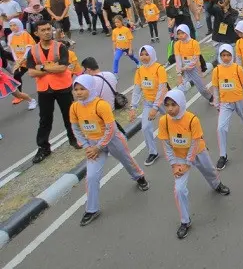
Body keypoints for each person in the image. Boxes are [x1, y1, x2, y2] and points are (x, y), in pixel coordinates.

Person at [70, 75, 149, 227]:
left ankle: (139, 177)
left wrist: (99, 146)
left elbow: (111, 128)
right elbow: (75, 128)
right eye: (76, 89)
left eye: (82, 89)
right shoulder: (74, 107)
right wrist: (87, 146)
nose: (78, 92)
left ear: (91, 88)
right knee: (91, 176)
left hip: (112, 140)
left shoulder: (101, 105)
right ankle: (92, 209)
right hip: (93, 145)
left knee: (127, 161)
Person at [158, 89, 230, 239]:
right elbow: (166, 144)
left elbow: (194, 143)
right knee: (179, 190)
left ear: (182, 104)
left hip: (197, 152)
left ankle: (217, 185)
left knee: (210, 171)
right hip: (178, 158)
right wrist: (174, 164)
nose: (170, 109)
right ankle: (185, 221)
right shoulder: (163, 121)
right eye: (167, 105)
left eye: (173, 105)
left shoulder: (192, 120)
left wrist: (188, 163)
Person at [27, 20, 80, 162]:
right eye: (43, 30)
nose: (47, 32)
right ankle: (44, 148)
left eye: (48, 29)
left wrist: (42, 68)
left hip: (62, 86)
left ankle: (74, 139)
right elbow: (31, 72)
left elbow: (63, 68)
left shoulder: (60, 47)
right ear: (36, 33)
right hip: (44, 89)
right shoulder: (33, 50)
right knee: (45, 119)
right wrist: (52, 68)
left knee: (69, 115)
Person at [212, 44, 243, 170]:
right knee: (221, 127)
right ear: (220, 56)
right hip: (225, 103)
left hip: (239, 100)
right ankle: (223, 155)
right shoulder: (217, 70)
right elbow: (215, 88)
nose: (226, 58)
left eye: (228, 55)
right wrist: (216, 102)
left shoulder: (237, 68)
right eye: (223, 55)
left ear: (232, 55)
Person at [129, 46, 168, 166]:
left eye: (147, 54)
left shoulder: (159, 68)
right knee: (145, 127)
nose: (144, 57)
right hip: (148, 102)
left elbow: (162, 89)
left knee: (175, 122)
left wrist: (155, 107)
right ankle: (153, 152)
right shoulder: (139, 71)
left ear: (152, 54)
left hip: (164, 102)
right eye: (142, 54)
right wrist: (133, 107)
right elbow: (137, 89)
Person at [174, 24, 213, 103]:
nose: (180, 35)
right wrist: (179, 74)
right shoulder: (177, 44)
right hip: (184, 70)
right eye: (178, 34)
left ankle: (211, 97)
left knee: (202, 88)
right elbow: (178, 60)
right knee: (181, 88)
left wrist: (186, 67)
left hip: (195, 69)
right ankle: (179, 106)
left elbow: (195, 59)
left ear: (187, 32)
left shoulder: (194, 43)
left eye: (182, 33)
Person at [7, 18, 36, 106]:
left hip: (31, 59)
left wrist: (23, 58)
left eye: (14, 25)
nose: (13, 27)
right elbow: (12, 49)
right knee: (16, 75)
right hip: (20, 62)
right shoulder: (10, 36)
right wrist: (16, 60)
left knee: (39, 73)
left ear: (19, 25)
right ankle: (19, 95)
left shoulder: (25, 34)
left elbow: (29, 47)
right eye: (11, 26)